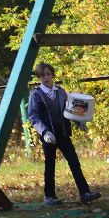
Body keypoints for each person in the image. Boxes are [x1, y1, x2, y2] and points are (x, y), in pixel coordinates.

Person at [27, 62, 101, 206]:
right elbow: (33, 116)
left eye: (48, 74)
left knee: (74, 162)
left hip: (63, 133)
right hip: (49, 136)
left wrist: (80, 122)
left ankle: (85, 193)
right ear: (39, 77)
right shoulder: (35, 94)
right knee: (50, 165)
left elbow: (70, 111)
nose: (45, 78)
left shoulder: (61, 92)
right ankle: (49, 196)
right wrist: (44, 132)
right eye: (42, 75)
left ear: (53, 75)